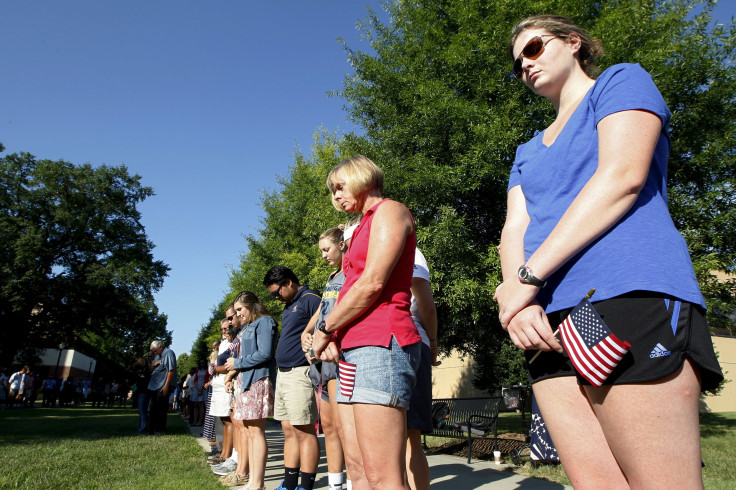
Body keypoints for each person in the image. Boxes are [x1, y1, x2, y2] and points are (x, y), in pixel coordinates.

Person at [495, 15, 723, 488]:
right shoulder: (525, 151)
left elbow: (622, 178)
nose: (525, 65)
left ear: (573, 42)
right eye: (518, 63)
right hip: (547, 320)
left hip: (623, 292)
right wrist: (516, 303)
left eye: (533, 48)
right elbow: (514, 227)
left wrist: (525, 280)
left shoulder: (620, 82)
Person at [311, 155, 421, 490]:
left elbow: (372, 282)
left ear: (362, 178)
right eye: (332, 191)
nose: (336, 196)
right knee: (357, 469)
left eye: (340, 186)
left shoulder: (390, 211)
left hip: (380, 345)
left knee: (382, 474)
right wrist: (332, 336)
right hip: (352, 349)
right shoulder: (357, 228)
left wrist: (325, 329)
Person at [263, 265, 321, 490]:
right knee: (288, 430)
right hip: (284, 374)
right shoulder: (289, 305)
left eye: (276, 292)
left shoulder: (310, 299)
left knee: (304, 430)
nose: (275, 297)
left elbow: (326, 325)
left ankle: (305, 486)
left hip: (300, 372)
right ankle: (289, 484)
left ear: (288, 282)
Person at [301, 226, 349, 490]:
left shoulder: (353, 273)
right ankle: (335, 483)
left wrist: (326, 336)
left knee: (344, 428)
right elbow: (322, 307)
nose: (323, 256)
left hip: (340, 355)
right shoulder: (332, 276)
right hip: (323, 360)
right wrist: (307, 332)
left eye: (326, 249)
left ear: (342, 244)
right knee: (329, 426)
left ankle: (354, 482)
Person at [224, 291, 277, 490]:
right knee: (249, 431)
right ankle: (254, 481)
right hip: (246, 382)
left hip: (258, 381)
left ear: (252, 305)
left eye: (240, 309)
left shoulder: (265, 322)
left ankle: (258, 483)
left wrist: (237, 363)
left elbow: (264, 353)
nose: (238, 314)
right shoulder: (248, 327)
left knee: (256, 432)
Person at [405, 248, 439, 490]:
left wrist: (432, 340)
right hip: (410, 340)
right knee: (409, 437)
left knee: (407, 436)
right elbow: (427, 307)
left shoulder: (409, 250)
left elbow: (426, 306)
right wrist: (433, 339)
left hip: (409, 341)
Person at [147, 340, 177, 435]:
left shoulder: (168, 353)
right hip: (155, 385)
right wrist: (153, 364)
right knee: (153, 408)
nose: (154, 353)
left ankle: (159, 430)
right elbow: (150, 369)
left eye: (155, 351)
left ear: (160, 347)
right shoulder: (157, 356)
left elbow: (171, 370)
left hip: (162, 385)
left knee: (160, 409)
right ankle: (151, 429)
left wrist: (166, 386)